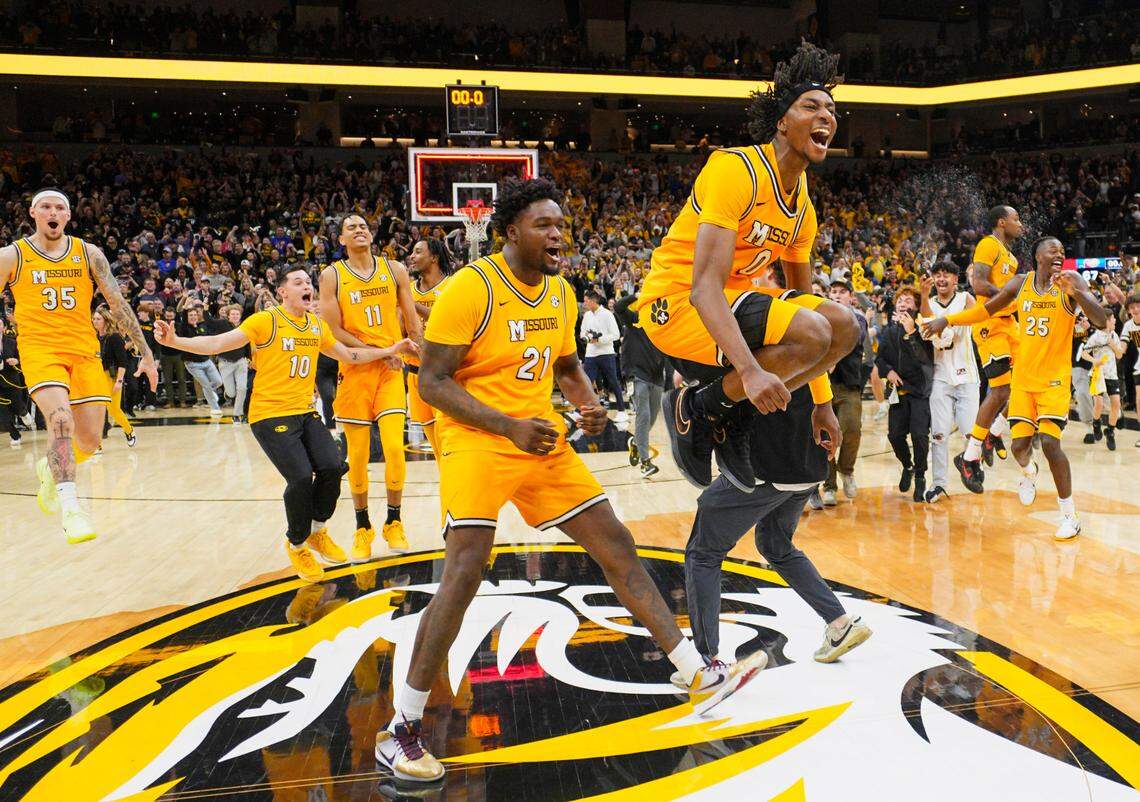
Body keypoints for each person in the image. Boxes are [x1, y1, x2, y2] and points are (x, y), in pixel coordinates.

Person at [374, 179, 766, 784]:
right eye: (544, 225)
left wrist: (587, 408)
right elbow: (432, 383)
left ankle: (694, 672)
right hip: (478, 437)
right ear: (509, 231)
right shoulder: (469, 288)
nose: (559, 235)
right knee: (464, 572)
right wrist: (507, 425)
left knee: (615, 542)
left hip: (538, 438)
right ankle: (401, 728)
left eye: (562, 224)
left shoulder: (559, 293)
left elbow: (565, 366)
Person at [633, 40, 856, 491]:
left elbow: (809, 303)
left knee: (845, 324)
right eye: (811, 105)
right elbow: (703, 289)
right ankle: (703, 409)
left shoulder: (803, 208)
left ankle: (715, 408)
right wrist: (750, 374)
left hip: (731, 306)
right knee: (812, 330)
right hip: (676, 304)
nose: (826, 116)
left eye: (831, 109)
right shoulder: (735, 169)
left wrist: (822, 402)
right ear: (781, 121)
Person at [155, 265, 417, 581]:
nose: (307, 286)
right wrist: (175, 341)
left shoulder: (317, 327)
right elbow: (217, 344)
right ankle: (296, 543)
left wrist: (391, 349)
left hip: (304, 413)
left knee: (334, 466)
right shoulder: (266, 321)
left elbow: (349, 355)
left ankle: (317, 530)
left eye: (308, 282)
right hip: (269, 415)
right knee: (301, 477)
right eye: (298, 282)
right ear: (282, 292)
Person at [0, 188, 157, 543]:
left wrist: (145, 353)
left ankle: (49, 468)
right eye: (45, 206)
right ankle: (72, 509)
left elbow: (117, 303)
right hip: (41, 351)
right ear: (33, 213)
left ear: (68, 215)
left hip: (84, 352)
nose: (52, 212)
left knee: (88, 441)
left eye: (59, 207)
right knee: (60, 421)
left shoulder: (89, 254)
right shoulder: (13, 256)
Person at [923, 237, 1106, 540]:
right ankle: (1028, 472)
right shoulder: (1022, 283)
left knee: (1050, 443)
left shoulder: (1070, 281)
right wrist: (947, 320)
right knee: (1020, 447)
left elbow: (1100, 320)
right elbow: (986, 311)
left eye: (1062, 251)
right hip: (1023, 380)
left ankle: (1069, 516)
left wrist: (1077, 295)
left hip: (1054, 382)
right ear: (1038, 257)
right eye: (1053, 251)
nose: (1059, 255)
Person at [683, 385, 871, 670]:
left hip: (768, 467)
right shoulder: (812, 349)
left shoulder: (759, 349)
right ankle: (840, 623)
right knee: (776, 545)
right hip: (808, 468)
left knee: (703, 552)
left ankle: (706, 663)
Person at [319, 214, 422, 563]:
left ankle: (394, 521)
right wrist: (384, 351)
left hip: (392, 372)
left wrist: (421, 357)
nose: (359, 229)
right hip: (356, 371)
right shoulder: (332, 275)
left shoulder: (394, 270)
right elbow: (333, 332)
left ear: (372, 233)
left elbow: (411, 321)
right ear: (341, 240)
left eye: (363, 225)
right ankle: (363, 528)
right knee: (358, 458)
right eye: (351, 227)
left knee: (395, 448)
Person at [956, 205, 1025, 493]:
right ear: (1001, 222)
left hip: (1010, 324)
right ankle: (969, 457)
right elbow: (979, 283)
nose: (1020, 224)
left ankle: (993, 432)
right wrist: (1011, 295)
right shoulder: (988, 244)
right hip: (990, 324)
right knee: (999, 391)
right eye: (1016, 219)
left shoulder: (1010, 256)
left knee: (1022, 387)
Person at [920, 264, 980, 503]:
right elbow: (926, 326)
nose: (941, 278)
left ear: (956, 279)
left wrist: (946, 323)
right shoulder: (930, 302)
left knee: (970, 431)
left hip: (967, 374)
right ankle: (939, 484)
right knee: (939, 434)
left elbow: (978, 315)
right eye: (937, 275)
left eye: (946, 275)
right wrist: (923, 296)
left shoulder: (966, 298)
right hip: (940, 374)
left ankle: (972, 466)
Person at [875, 286, 933, 503]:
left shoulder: (923, 330)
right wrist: (887, 371)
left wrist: (912, 333)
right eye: (900, 299)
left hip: (919, 392)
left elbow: (926, 359)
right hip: (897, 392)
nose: (902, 303)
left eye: (908, 300)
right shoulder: (889, 331)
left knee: (919, 435)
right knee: (894, 435)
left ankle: (920, 476)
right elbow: (880, 359)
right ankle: (907, 466)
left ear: (916, 307)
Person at [404, 237, 454, 456]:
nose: (411, 257)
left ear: (434, 257)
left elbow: (447, 320)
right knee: (436, 447)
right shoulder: (409, 290)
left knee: (450, 443)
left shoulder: (453, 286)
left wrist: (410, 305)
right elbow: (400, 335)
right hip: (416, 375)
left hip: (447, 376)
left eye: (417, 252)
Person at [821, 280, 865, 505]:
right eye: (833, 291)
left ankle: (846, 470)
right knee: (826, 437)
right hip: (824, 386)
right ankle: (829, 485)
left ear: (851, 296)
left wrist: (833, 356)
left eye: (841, 292)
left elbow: (853, 339)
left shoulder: (858, 319)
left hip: (849, 385)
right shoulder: (820, 316)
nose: (837, 295)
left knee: (851, 429)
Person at [615, 292, 666, 478]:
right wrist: (635, 295)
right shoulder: (634, 319)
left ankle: (636, 443)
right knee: (643, 415)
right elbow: (619, 307)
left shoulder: (660, 326)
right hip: (636, 374)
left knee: (652, 418)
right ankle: (645, 463)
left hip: (656, 376)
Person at [93, 307, 137, 448]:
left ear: (106, 320)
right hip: (95, 376)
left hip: (111, 377)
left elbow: (122, 362)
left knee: (114, 410)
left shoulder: (115, 337)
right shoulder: (92, 336)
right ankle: (97, 444)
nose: (94, 321)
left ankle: (129, 430)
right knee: (96, 409)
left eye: (98, 319)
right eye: (93, 318)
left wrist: (119, 381)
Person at [581, 290, 628, 422]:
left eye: (586, 301)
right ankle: (584, 411)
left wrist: (599, 339)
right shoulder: (587, 315)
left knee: (613, 381)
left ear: (593, 301)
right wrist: (588, 337)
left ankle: (621, 411)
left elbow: (616, 335)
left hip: (606, 353)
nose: (584, 304)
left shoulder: (607, 314)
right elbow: (581, 333)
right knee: (587, 383)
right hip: (590, 353)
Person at [1080, 312, 1125, 451]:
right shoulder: (1096, 336)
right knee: (1098, 404)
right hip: (1098, 375)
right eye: (1112, 319)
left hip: (1111, 375)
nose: (1115, 321)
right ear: (1106, 321)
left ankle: (1110, 432)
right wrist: (1095, 361)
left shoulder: (1114, 336)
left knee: (1116, 404)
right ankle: (1096, 423)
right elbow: (1084, 353)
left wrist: (1113, 346)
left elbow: (1119, 355)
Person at [178, 306, 224, 416]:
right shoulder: (184, 328)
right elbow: (184, 321)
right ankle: (215, 408)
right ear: (187, 317)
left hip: (206, 360)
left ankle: (209, 393)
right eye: (190, 315)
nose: (193, 317)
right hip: (193, 364)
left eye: (194, 315)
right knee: (206, 385)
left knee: (218, 382)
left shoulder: (202, 326)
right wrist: (185, 309)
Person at [215, 304, 251, 424]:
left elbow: (248, 345)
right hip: (225, 363)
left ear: (240, 316)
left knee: (242, 388)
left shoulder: (244, 327)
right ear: (228, 316)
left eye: (237, 314)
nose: (235, 316)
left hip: (241, 362)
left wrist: (249, 358)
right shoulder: (223, 325)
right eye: (233, 314)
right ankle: (228, 393)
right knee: (231, 392)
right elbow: (209, 322)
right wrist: (204, 308)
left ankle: (237, 414)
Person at [157, 306, 191, 408]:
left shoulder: (179, 325)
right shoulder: (161, 325)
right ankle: (170, 401)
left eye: (171, 316)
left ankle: (182, 401)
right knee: (167, 380)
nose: (169, 318)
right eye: (167, 316)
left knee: (181, 379)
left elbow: (182, 338)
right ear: (165, 315)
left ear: (174, 315)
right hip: (165, 355)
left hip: (179, 355)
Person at [1120, 295, 1140, 447]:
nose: (1136, 309)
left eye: (1138, 306)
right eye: (1132, 307)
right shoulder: (1128, 326)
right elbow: (1121, 350)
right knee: (1139, 398)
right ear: (1128, 311)